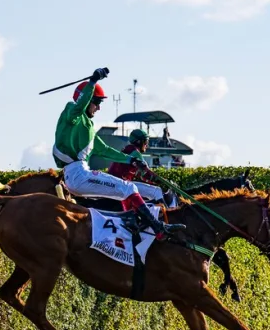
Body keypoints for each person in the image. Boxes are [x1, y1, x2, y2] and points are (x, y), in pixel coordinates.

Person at [52, 68, 182, 237]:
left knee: (126, 190)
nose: (98, 108)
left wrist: (130, 160)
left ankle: (133, 224)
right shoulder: (72, 112)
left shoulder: (88, 128)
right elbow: (78, 107)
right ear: (87, 99)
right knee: (129, 187)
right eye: (97, 102)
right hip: (78, 175)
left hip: (78, 176)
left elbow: (105, 150)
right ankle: (158, 228)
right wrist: (93, 82)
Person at [107, 129, 176, 208]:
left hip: (116, 185)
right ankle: (166, 215)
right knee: (156, 191)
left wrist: (156, 180)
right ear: (139, 142)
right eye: (146, 142)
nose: (147, 145)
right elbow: (146, 173)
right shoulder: (135, 152)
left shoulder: (127, 149)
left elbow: (141, 175)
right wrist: (162, 181)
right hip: (121, 186)